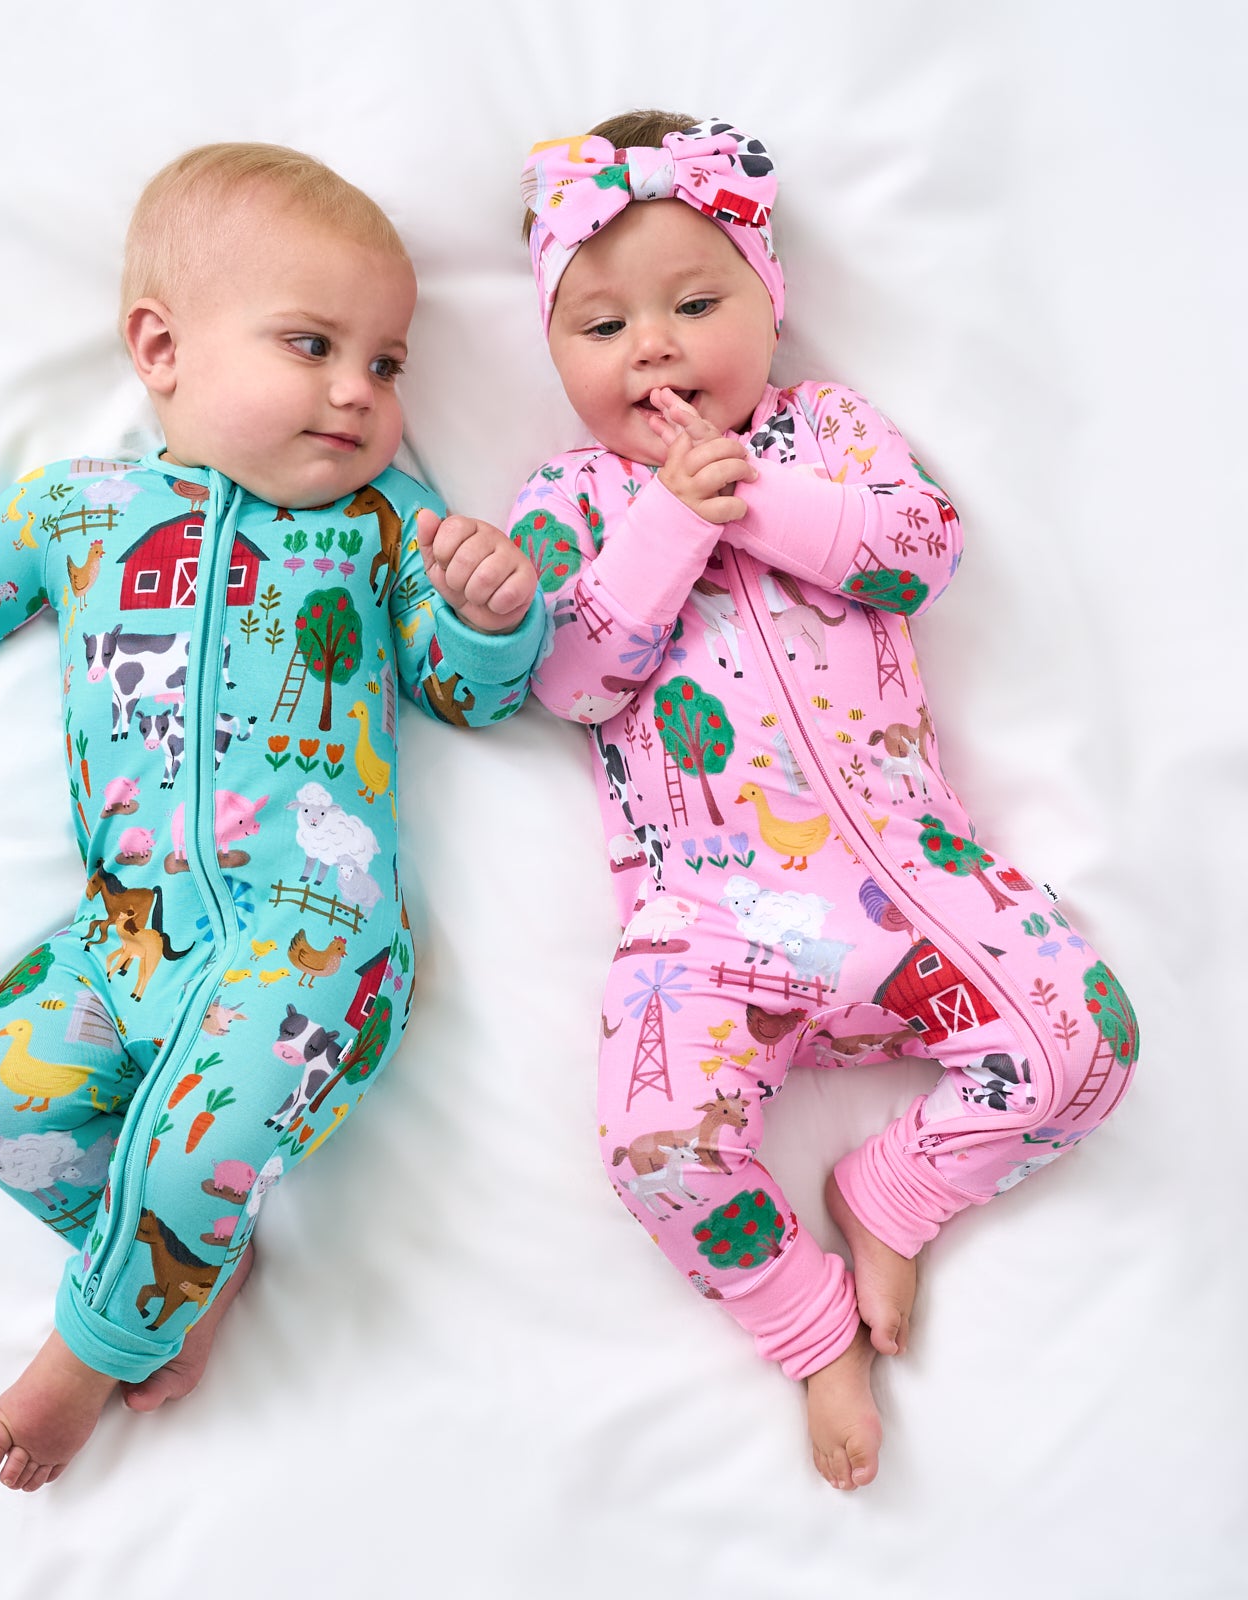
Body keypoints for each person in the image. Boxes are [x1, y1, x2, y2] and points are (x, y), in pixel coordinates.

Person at [0, 142, 542, 1492]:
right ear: (160, 348)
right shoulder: (78, 509)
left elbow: (464, 691)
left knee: (206, 1140)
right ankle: (183, 1264)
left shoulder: (385, 522)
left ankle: (92, 1348)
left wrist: (492, 619)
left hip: (314, 942)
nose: (358, 390)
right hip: (125, 936)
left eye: (387, 363)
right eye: (313, 344)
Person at [509, 110, 1138, 1491]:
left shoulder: (826, 432)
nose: (653, 347)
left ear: (771, 302)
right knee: (654, 1150)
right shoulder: (569, 499)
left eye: (695, 305)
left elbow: (919, 551)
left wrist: (752, 500)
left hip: (913, 881)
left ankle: (893, 1193)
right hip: (710, 922)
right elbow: (571, 680)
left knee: (1087, 1044)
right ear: (553, 352)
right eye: (603, 325)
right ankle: (806, 1322)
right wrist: (670, 518)